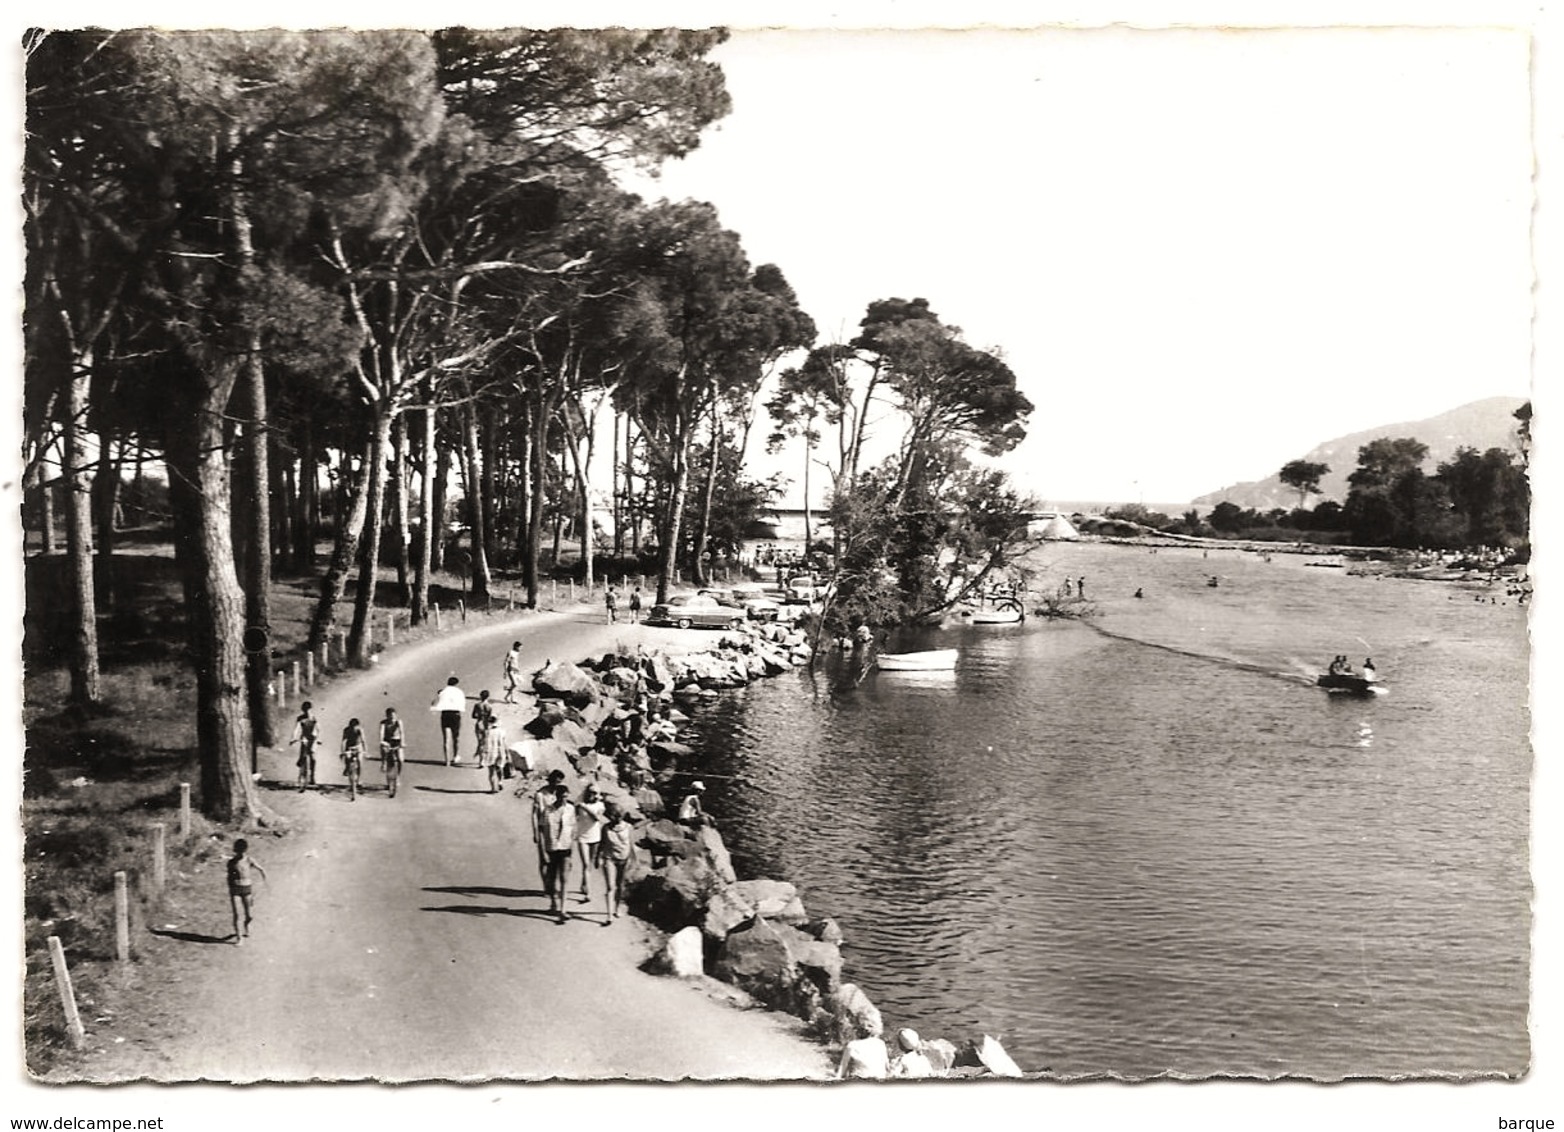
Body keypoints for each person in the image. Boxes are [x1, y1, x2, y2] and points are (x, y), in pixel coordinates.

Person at [538, 783, 577, 923]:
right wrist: (543, 851)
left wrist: (572, 843)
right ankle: (554, 903)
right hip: (552, 848)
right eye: (562, 797)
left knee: (564, 878)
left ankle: (563, 910)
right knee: (551, 879)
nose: (564, 800)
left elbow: (573, 828)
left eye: (566, 797)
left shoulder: (571, 809)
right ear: (557, 796)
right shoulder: (548, 811)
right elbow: (541, 830)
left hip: (565, 848)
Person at [226, 838, 267, 946]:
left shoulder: (249, 860)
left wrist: (264, 882)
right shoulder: (231, 862)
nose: (240, 853)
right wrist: (230, 888)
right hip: (235, 890)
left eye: (242, 850)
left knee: (250, 915)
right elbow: (229, 877)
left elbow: (261, 869)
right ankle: (239, 938)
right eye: (238, 851)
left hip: (247, 889)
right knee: (237, 914)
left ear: (245, 850)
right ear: (235, 850)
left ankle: (246, 925)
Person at [528, 769, 568, 880]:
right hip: (543, 828)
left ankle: (551, 883)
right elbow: (534, 815)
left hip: (557, 830)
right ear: (550, 781)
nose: (556, 785)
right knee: (544, 858)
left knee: (556, 858)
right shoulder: (540, 795)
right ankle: (546, 884)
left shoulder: (560, 795)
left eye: (559, 782)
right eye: (555, 782)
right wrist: (535, 832)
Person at [600, 806, 637, 921]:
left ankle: (617, 907)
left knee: (620, 886)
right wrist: (598, 858)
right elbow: (602, 844)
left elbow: (631, 844)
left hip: (624, 858)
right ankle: (609, 914)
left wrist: (634, 859)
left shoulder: (628, 827)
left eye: (618, 816)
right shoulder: (605, 828)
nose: (616, 818)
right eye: (614, 816)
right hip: (609, 858)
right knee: (610, 886)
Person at [574, 783, 607, 904]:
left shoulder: (600, 805)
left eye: (596, 793)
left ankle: (584, 884)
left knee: (590, 864)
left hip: (595, 837)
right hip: (583, 837)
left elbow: (596, 818)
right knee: (586, 864)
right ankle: (588, 893)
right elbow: (575, 815)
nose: (593, 795)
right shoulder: (580, 803)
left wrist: (584, 807)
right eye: (591, 792)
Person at [431, 675, 466, 765]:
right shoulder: (459, 692)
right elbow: (462, 704)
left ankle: (447, 760)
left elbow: (434, 703)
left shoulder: (442, 692)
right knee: (456, 737)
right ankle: (455, 756)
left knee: (446, 739)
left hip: (445, 715)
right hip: (455, 715)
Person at [289, 702, 321, 791]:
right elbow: (296, 729)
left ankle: (312, 776)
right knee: (303, 755)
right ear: (303, 710)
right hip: (304, 738)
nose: (307, 711)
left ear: (311, 709)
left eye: (309, 709)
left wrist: (318, 739)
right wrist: (293, 738)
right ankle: (301, 765)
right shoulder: (300, 718)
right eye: (305, 710)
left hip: (313, 738)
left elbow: (318, 729)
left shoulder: (314, 718)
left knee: (313, 758)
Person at [379, 707, 405, 798]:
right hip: (387, 741)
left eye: (394, 716)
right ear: (387, 716)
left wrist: (402, 742)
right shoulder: (383, 723)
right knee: (384, 751)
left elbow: (402, 732)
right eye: (390, 716)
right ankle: (383, 763)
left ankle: (397, 776)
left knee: (401, 759)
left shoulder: (399, 722)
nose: (392, 718)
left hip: (397, 741)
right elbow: (381, 734)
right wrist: (382, 741)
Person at [480, 718, 509, 794]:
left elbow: (483, 743)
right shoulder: (502, 732)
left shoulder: (487, 732)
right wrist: (507, 753)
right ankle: (500, 782)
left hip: (490, 753)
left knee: (491, 772)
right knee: (499, 768)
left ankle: (493, 788)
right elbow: (504, 744)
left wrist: (481, 753)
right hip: (500, 752)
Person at [340, 717, 366, 801]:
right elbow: (343, 741)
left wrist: (365, 751)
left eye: (355, 726)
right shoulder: (346, 730)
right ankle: (347, 767)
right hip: (349, 747)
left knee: (360, 761)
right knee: (347, 758)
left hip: (358, 747)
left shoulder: (360, 730)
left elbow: (363, 741)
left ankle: (359, 779)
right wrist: (342, 752)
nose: (354, 728)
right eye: (352, 726)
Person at [472, 689, 496, 755]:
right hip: (486, 724)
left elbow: (473, 715)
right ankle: (481, 760)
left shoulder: (477, 705)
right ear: (488, 697)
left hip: (479, 723)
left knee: (479, 741)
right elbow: (490, 717)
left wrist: (480, 716)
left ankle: (478, 753)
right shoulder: (490, 706)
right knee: (484, 741)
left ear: (480, 696)